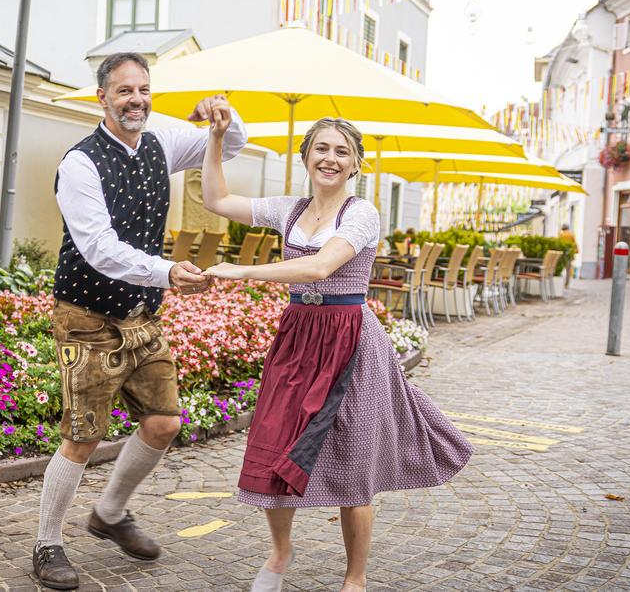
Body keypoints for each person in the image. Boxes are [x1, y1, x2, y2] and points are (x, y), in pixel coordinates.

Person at [199, 116, 472, 592]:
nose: (330, 158)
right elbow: (216, 200)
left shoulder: (362, 213)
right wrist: (216, 139)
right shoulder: (289, 208)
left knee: (353, 456)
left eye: (342, 151)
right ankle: (280, 554)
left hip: (350, 341)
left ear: (355, 164)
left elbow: (322, 266)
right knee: (275, 440)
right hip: (300, 335)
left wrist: (241, 272)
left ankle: (355, 578)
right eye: (321, 148)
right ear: (305, 156)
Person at [32, 51, 248, 590]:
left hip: (141, 313)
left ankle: (108, 513)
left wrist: (223, 114)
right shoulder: (79, 163)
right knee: (83, 437)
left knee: (164, 422)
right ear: (101, 97)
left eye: (144, 89)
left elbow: (233, 144)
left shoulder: (162, 139)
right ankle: (47, 543)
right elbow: (100, 249)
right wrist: (166, 271)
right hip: (87, 315)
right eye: (124, 90)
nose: (136, 100)